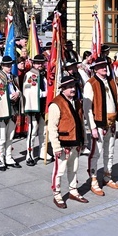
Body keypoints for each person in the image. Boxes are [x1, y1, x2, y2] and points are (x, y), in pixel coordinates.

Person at [47, 75, 88, 209]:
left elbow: (80, 123)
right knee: (60, 171)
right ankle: (57, 194)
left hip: (75, 142)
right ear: (63, 89)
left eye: (74, 86)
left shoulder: (77, 102)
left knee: (74, 169)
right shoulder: (56, 103)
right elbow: (52, 127)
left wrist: (84, 140)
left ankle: (73, 191)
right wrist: (56, 147)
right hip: (63, 144)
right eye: (69, 87)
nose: (72, 89)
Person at [84, 59, 118, 196]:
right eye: (101, 66)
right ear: (95, 69)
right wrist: (92, 127)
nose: (104, 68)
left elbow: (117, 98)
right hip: (98, 124)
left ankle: (107, 176)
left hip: (111, 122)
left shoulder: (111, 81)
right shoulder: (90, 84)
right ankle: (93, 180)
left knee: (109, 152)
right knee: (96, 153)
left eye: (105, 66)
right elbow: (87, 108)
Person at [22, 54, 47, 166]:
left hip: (43, 106)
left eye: (42, 63)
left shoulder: (44, 74)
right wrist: (45, 93)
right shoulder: (30, 75)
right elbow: (29, 91)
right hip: (33, 107)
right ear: (33, 63)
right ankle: (29, 154)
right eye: (37, 63)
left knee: (43, 131)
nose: (40, 65)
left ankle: (43, 152)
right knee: (32, 132)